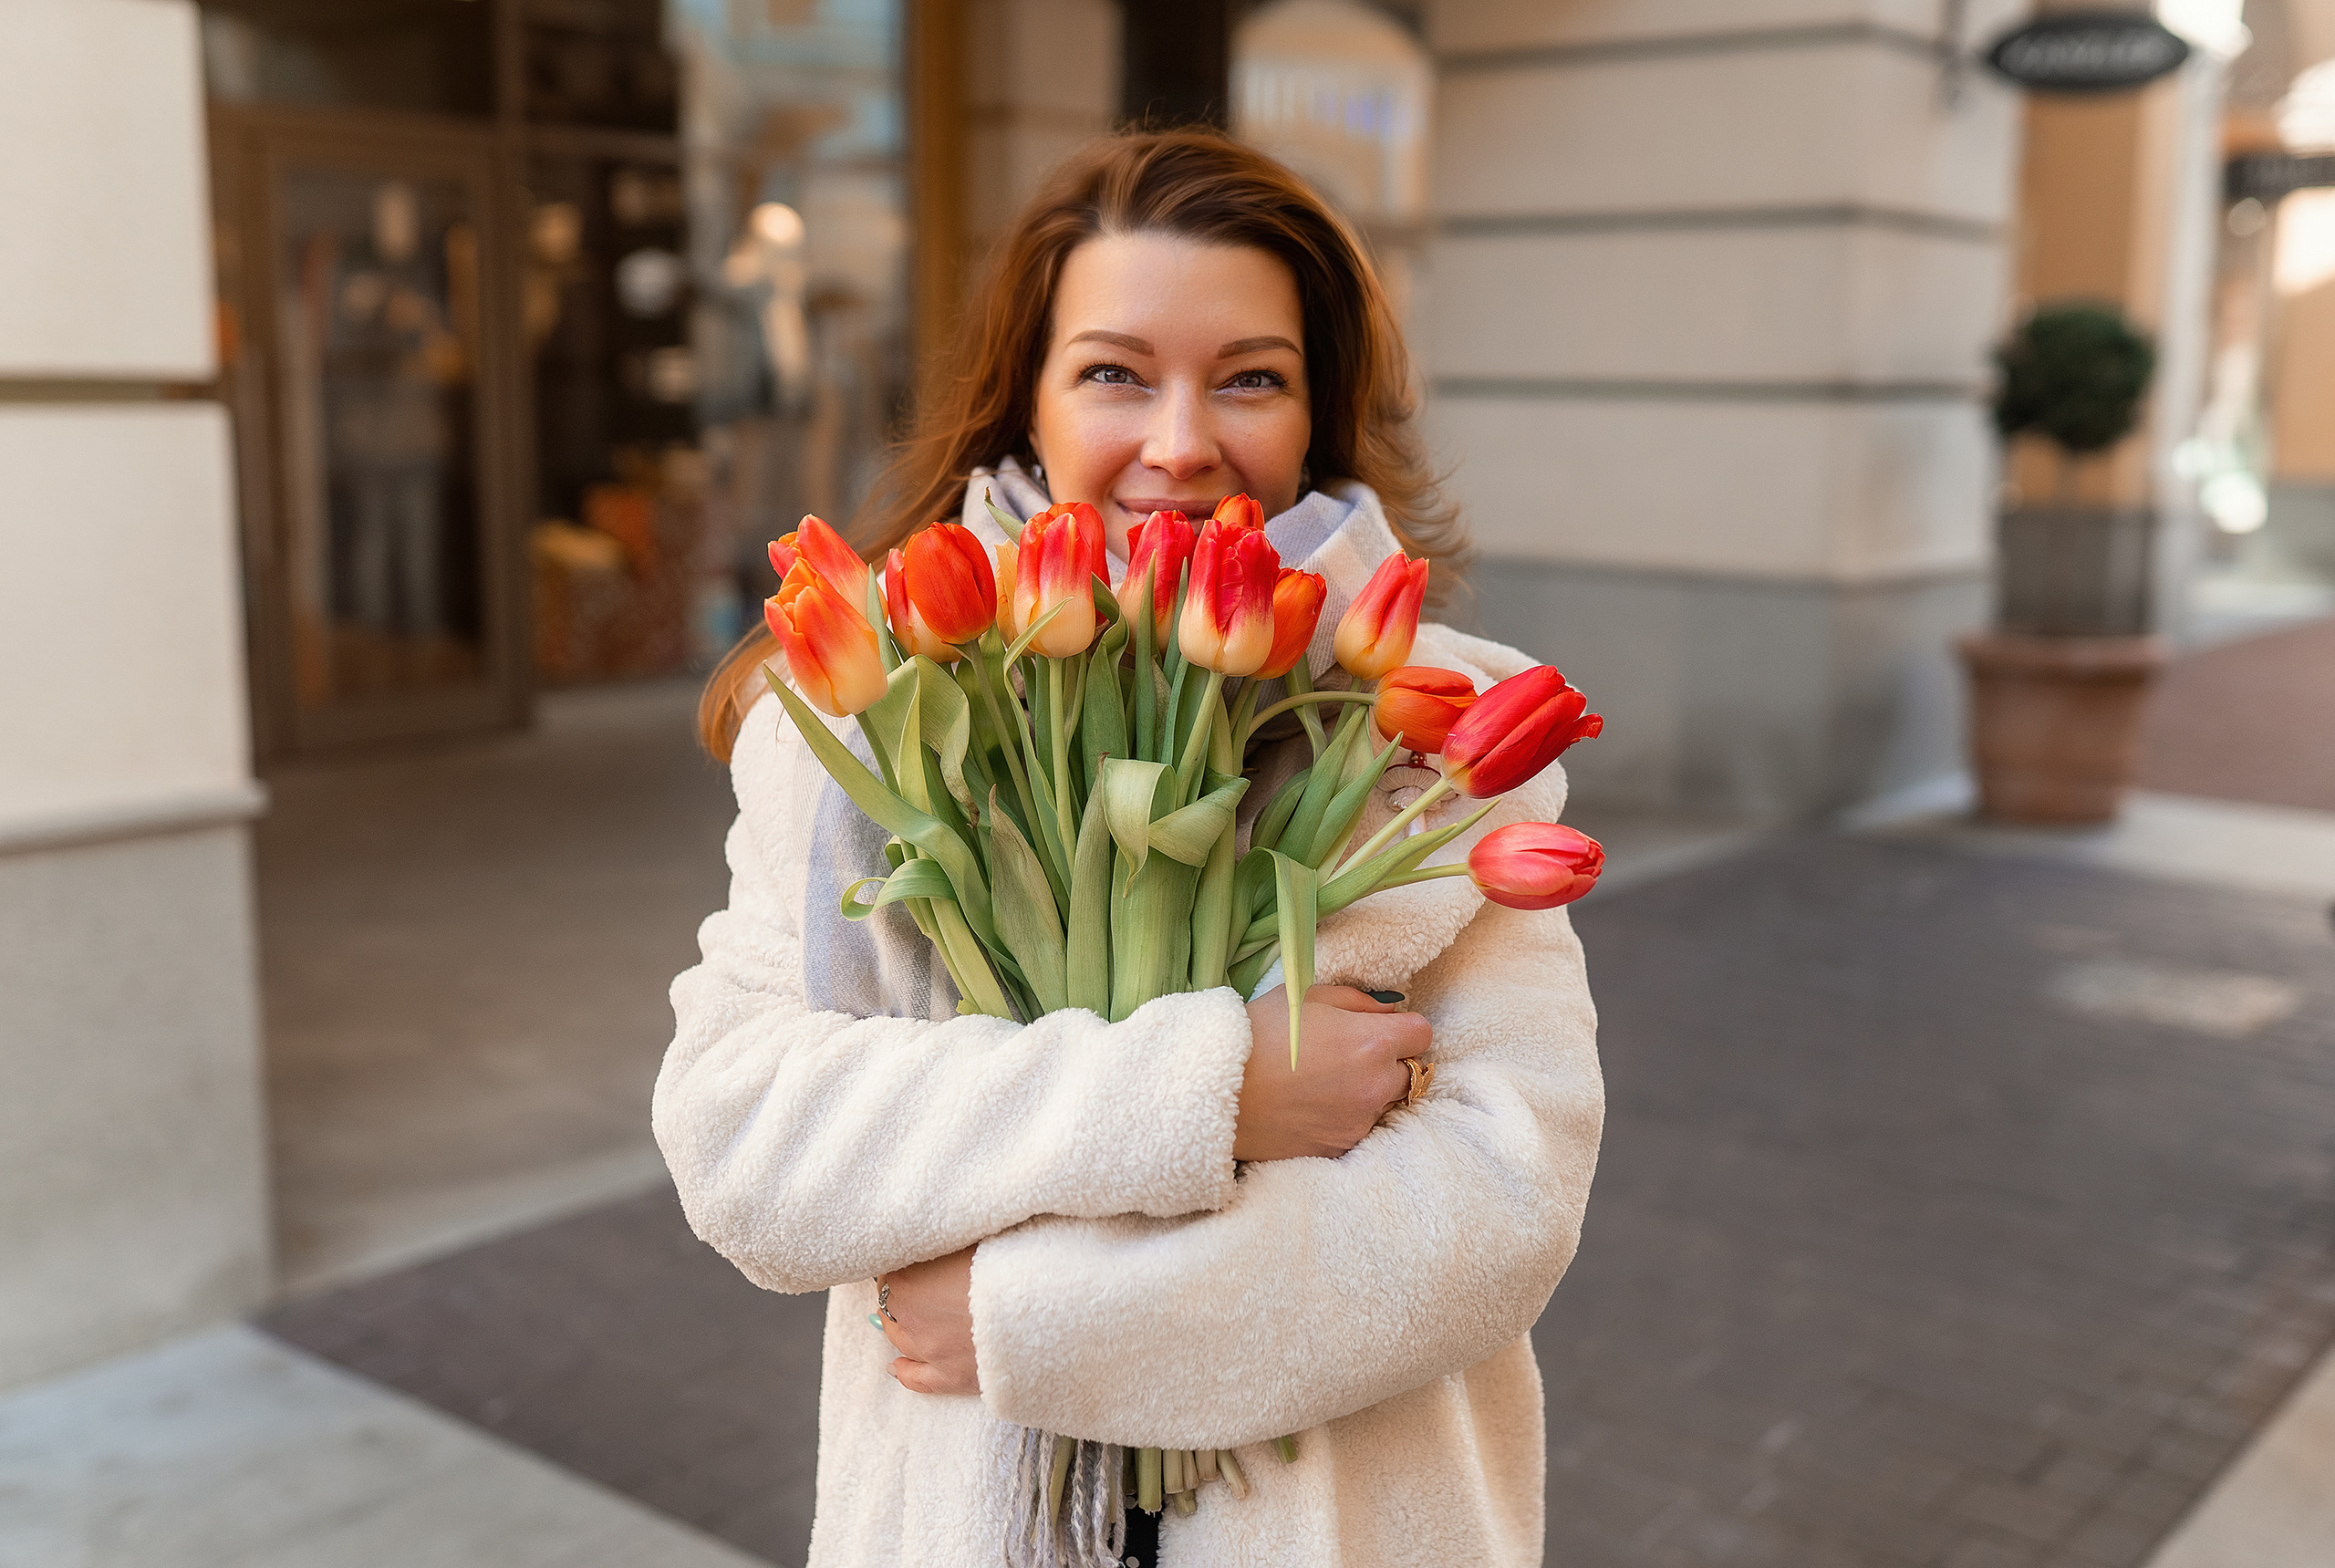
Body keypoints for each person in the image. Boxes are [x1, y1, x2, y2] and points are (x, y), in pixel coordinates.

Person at [658, 130, 1603, 1567]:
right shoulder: (849, 723)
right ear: (1027, 403)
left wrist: (1026, 1319)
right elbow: (743, 1137)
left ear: (1316, 410)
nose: (1179, 442)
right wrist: (1221, 1088)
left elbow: (1497, 1208)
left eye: (1249, 378)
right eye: (1113, 372)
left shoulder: (1440, 730)